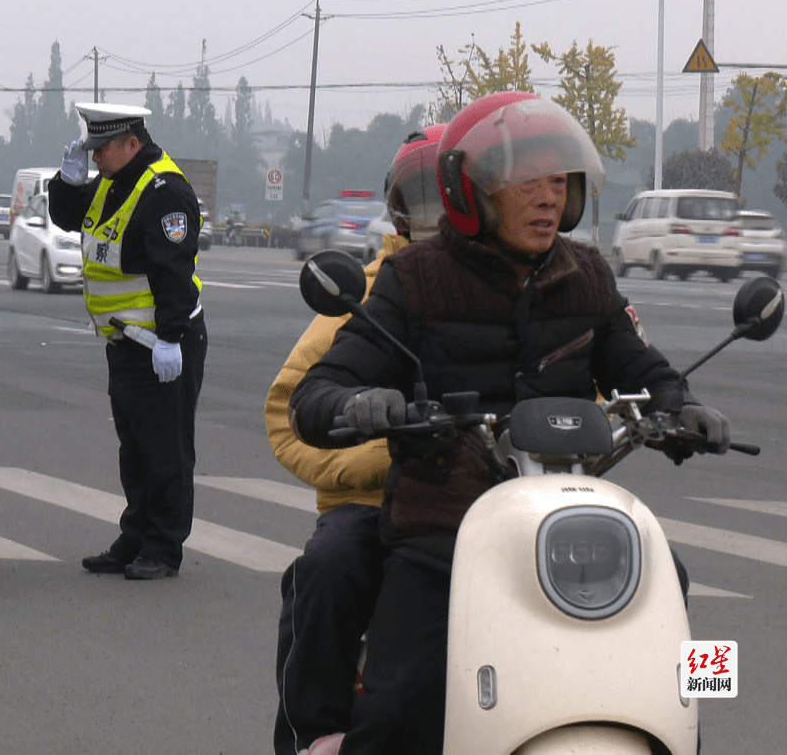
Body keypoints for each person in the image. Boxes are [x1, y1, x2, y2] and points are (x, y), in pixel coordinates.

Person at [287, 92, 730, 754]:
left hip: (568, 521)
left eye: (560, 182)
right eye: (529, 182)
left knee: (671, 577)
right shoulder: (414, 278)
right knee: (402, 708)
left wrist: (681, 405)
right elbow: (322, 388)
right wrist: (358, 405)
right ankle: (325, 738)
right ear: (472, 192)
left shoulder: (589, 277)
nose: (549, 198)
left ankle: (687, 731)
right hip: (445, 529)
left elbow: (639, 366)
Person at [268, 125, 445, 755]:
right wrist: (386, 449)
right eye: (427, 197)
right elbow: (292, 411)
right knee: (329, 564)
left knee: (659, 572)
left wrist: (669, 401)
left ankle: (680, 718)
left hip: (513, 503)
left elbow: (614, 371)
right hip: (386, 504)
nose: (444, 212)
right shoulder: (373, 292)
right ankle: (314, 734)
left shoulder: (559, 280)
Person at [47, 103, 207, 581]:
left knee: (167, 450)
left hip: (162, 343)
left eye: (102, 149)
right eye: (91, 149)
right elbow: (70, 218)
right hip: (125, 342)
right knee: (134, 450)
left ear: (132, 144)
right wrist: (67, 182)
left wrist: (171, 338)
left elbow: (174, 268)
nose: (95, 158)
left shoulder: (164, 191)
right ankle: (135, 536)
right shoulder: (113, 183)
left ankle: (163, 546)